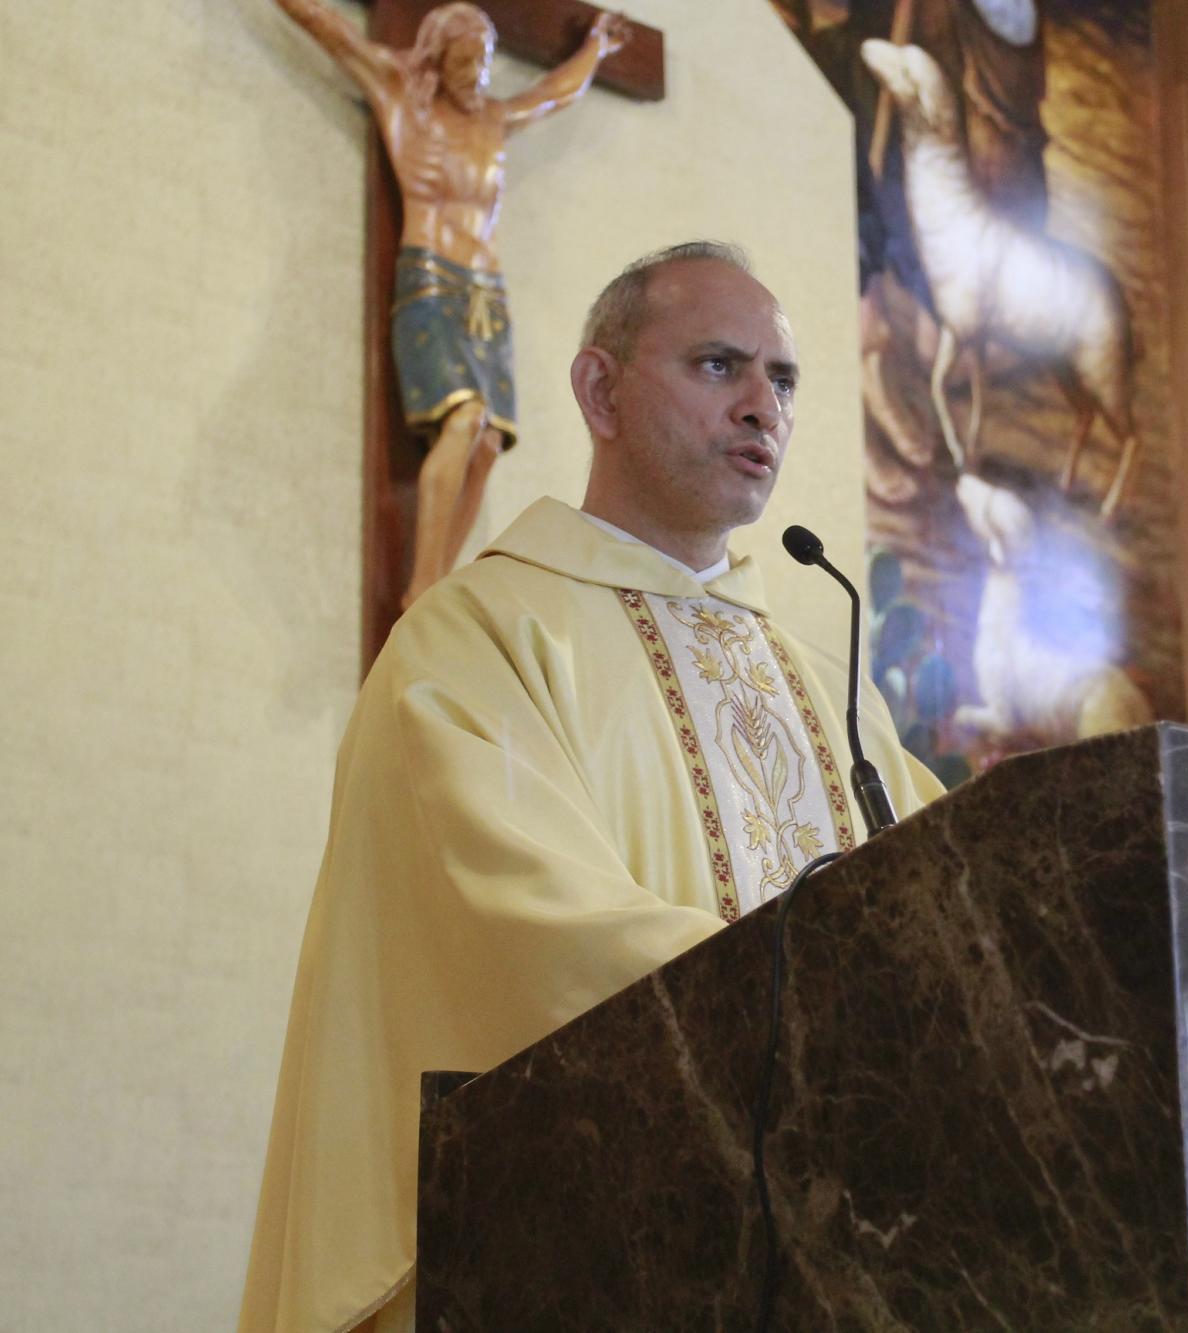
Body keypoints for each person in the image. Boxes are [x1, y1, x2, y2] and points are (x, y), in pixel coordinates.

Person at [239, 243, 944, 1333]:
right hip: (584, 1265)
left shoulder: (825, 686)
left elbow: (952, 912)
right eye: (718, 365)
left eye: (783, 378)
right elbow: (529, 933)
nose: (762, 406)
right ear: (599, 391)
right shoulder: (472, 643)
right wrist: (824, 1004)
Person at [268, 0, 632, 607]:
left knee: (486, 445)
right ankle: (422, 587)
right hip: (432, 278)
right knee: (463, 420)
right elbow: (329, 29)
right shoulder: (400, 95)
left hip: (486, 292)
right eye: (463, 62)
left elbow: (552, 95)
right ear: (436, 60)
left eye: (482, 62)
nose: (476, 75)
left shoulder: (493, 118)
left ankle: (440, 580)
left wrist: (595, 48)